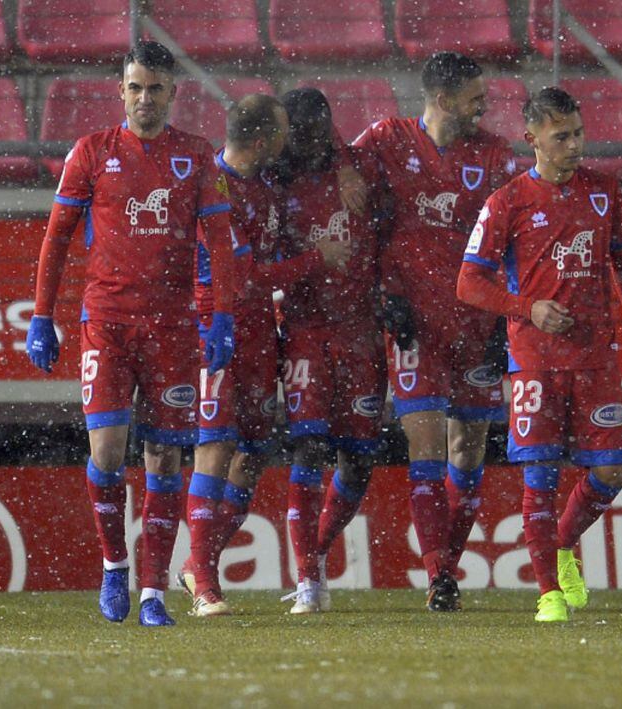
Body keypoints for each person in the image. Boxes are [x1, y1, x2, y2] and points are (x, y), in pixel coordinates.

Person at [26, 41, 236, 627]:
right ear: (121, 91)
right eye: (135, 87)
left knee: (166, 457)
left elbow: (218, 243)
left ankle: (153, 592)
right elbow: (57, 238)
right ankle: (115, 564)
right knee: (108, 453)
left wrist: (220, 316)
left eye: (156, 88)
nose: (146, 98)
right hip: (109, 325)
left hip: (173, 329)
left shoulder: (195, 157)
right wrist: (42, 315)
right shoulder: (92, 152)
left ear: (174, 93)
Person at [457, 87, 622, 622]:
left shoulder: (604, 192)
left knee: (612, 471)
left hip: (595, 358)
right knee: (539, 476)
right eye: (561, 136)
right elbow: (469, 283)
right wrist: (526, 308)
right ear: (532, 139)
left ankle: (563, 546)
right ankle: (548, 593)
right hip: (535, 361)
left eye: (578, 133)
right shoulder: (507, 201)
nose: (574, 144)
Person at [176, 94, 351, 617]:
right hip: (218, 325)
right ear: (261, 141)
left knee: (251, 457)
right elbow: (246, 278)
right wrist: (316, 259)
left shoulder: (267, 181)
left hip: (258, 332)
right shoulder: (215, 188)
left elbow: (340, 147)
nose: (289, 140)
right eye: (282, 132)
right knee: (216, 445)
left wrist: (344, 170)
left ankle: (195, 563)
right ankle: (204, 580)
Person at [354, 51, 517, 611]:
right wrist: (380, 290)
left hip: (477, 323)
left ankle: (444, 563)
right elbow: (340, 184)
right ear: (443, 99)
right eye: (475, 99)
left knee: (468, 454)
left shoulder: (495, 155)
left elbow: (516, 238)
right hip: (413, 322)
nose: (484, 107)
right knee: (425, 447)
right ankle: (439, 575)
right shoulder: (384, 140)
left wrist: (507, 317)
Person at [273, 89, 386, 614]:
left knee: (358, 461)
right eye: (304, 134)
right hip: (304, 328)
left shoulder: (358, 167)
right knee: (308, 449)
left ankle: (313, 554)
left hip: (361, 329)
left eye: (324, 132)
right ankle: (310, 578)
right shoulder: (273, 180)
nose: (314, 142)